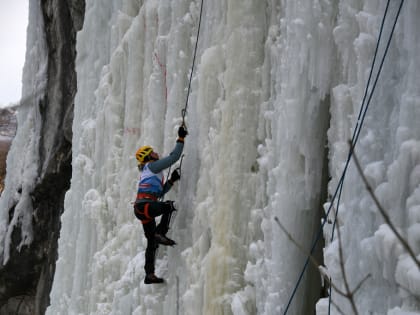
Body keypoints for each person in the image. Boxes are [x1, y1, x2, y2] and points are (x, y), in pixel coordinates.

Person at [134, 125, 188, 284]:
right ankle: (161, 232)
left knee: (151, 243)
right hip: (146, 206)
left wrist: (171, 180)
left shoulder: (148, 171)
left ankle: (149, 274)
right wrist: (181, 138)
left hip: (141, 209)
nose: (156, 153)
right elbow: (173, 157)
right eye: (152, 152)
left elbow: (158, 193)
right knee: (169, 206)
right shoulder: (152, 166)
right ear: (148, 157)